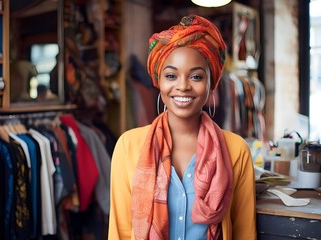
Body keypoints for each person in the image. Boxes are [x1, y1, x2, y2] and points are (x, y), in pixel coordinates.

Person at [108, 15, 256, 240]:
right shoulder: (128, 146)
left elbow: (244, 234)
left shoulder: (237, 150)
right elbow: (120, 232)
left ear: (211, 82)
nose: (183, 86)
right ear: (159, 80)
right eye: (171, 75)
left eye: (196, 76)